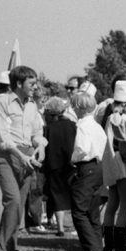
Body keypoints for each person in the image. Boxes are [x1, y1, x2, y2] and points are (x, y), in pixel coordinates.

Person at [0, 65, 47, 251]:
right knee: (12, 201)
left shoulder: (32, 105)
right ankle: (7, 249)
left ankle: (5, 249)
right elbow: (3, 137)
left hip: (27, 155)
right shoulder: (1, 102)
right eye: (31, 83)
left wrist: (41, 147)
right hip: (5, 156)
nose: (35, 86)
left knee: (18, 204)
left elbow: (37, 133)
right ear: (19, 83)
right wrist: (23, 157)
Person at [67, 91, 108, 251]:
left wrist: (72, 159)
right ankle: (98, 249)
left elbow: (82, 148)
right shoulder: (97, 126)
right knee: (92, 213)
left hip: (86, 167)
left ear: (78, 107)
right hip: (98, 167)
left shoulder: (82, 126)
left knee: (79, 211)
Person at [99, 81, 126, 251]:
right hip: (121, 162)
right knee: (125, 205)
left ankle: (109, 244)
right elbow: (122, 145)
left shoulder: (109, 116)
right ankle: (120, 246)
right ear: (125, 103)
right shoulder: (118, 118)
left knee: (112, 204)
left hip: (110, 160)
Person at [41, 97, 76, 237]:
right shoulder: (72, 125)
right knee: (73, 196)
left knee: (57, 196)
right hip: (70, 164)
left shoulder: (48, 128)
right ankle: (75, 225)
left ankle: (60, 228)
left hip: (54, 166)